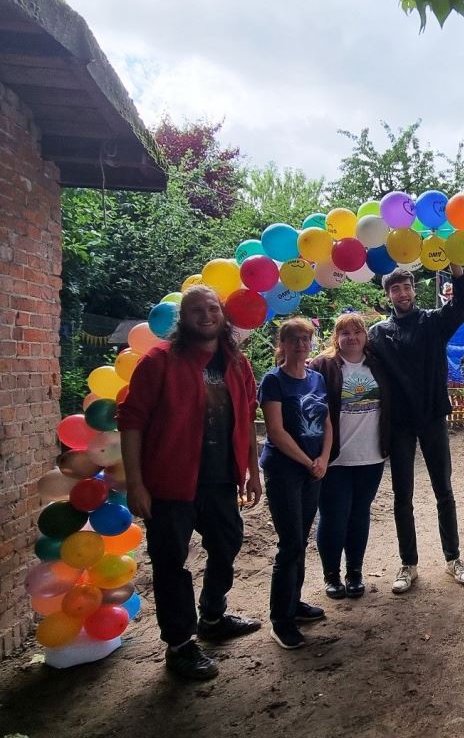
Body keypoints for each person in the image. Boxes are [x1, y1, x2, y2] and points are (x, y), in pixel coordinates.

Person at [119, 286, 262, 681]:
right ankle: (180, 644)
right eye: (196, 310)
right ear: (183, 319)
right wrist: (136, 484)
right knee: (170, 563)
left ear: (223, 314)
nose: (206, 315)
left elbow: (248, 416)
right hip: (169, 483)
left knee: (228, 542)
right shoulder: (158, 360)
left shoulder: (236, 362)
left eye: (212, 308)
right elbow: (130, 421)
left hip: (219, 480)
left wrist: (252, 469)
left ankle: (212, 615)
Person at [368, 266, 464, 594]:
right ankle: (408, 564)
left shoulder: (433, 323)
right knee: (403, 496)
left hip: (432, 417)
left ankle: (453, 559)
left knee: (444, 489)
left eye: (405, 287)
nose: (401, 293)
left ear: (414, 290)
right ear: (388, 295)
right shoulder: (378, 333)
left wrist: (459, 275)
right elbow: (353, 356)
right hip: (399, 424)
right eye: (395, 289)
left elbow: (463, 305)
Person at [258, 317, 330, 650]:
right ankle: (281, 620)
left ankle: (294, 603)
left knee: (301, 540)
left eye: (306, 339)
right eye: (294, 339)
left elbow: (327, 422)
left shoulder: (316, 378)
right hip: (286, 471)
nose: (301, 345)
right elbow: (275, 431)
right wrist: (308, 462)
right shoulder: (273, 381)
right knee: (289, 544)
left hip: (313, 470)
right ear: (282, 344)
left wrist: (324, 459)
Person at [310, 314, 391, 605]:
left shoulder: (377, 365)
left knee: (359, 515)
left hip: (371, 456)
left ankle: (354, 573)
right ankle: (331, 575)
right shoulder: (322, 365)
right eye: (345, 333)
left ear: (365, 336)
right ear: (336, 338)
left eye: (357, 331)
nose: (352, 337)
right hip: (334, 459)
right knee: (333, 517)